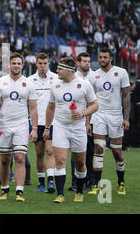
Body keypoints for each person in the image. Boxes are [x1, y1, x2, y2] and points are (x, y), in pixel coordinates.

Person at [45, 57, 98, 203]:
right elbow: (50, 107)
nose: (57, 71)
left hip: (78, 128)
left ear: (69, 70)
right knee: (60, 160)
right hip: (60, 126)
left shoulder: (84, 85)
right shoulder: (55, 84)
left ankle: (79, 192)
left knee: (80, 162)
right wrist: (48, 128)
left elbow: (95, 105)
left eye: (60, 69)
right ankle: (60, 194)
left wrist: (82, 114)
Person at [0, 52, 38, 202]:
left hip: (22, 125)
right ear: (9, 65)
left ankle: (19, 191)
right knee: (5, 160)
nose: (16, 66)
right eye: (14, 63)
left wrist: (34, 128)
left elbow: (33, 109)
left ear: (23, 65)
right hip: (4, 125)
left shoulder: (29, 83)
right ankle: (4, 189)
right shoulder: (1, 82)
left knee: (19, 157)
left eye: (19, 63)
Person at [88, 48, 131, 196]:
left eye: (105, 57)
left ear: (111, 58)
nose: (102, 60)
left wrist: (126, 118)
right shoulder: (94, 76)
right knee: (99, 149)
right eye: (100, 57)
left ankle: (121, 182)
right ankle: (96, 184)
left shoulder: (121, 72)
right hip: (99, 115)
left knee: (116, 151)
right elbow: (90, 101)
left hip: (116, 116)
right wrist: (88, 122)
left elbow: (126, 96)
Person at [28, 52, 58, 193]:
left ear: (49, 63)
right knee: (39, 153)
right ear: (36, 64)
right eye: (40, 63)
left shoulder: (56, 79)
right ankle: (41, 183)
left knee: (50, 151)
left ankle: (51, 181)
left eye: (45, 63)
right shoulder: (29, 81)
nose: (43, 66)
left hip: (52, 122)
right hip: (37, 123)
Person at [72, 52, 96, 190]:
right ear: (78, 62)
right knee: (76, 153)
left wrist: (89, 122)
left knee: (91, 151)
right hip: (77, 119)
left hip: (93, 118)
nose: (87, 63)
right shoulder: (73, 77)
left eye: (88, 61)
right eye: (84, 61)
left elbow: (93, 102)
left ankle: (90, 180)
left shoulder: (95, 76)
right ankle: (75, 182)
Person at [131, 75, 140, 147]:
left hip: (132, 109)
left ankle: (133, 142)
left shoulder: (134, 85)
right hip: (139, 109)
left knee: (133, 126)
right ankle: (139, 143)